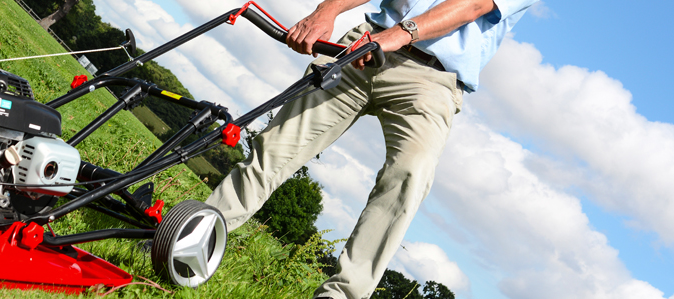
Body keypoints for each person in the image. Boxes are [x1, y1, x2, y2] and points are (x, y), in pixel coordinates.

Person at [204, 0, 537, 298]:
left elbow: (475, 4)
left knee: (409, 176)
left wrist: (399, 34)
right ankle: (194, 239)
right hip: (363, 45)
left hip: (431, 79)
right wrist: (327, 11)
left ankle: (341, 295)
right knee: (275, 148)